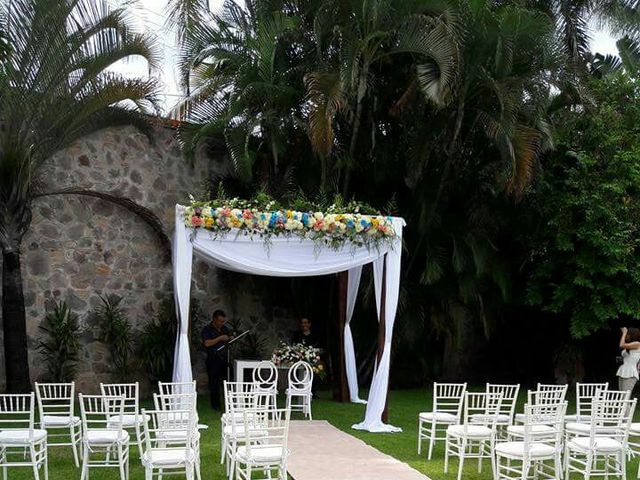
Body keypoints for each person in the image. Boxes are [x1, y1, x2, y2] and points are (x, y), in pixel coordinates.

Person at [202, 309, 232, 410]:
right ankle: (215, 406)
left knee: (228, 381)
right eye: (220, 321)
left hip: (225, 359)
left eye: (223, 321)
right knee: (214, 383)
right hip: (213, 359)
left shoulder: (225, 329)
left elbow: (228, 339)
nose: (221, 323)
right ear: (214, 319)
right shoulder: (207, 329)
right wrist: (220, 338)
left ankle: (229, 403)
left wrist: (230, 338)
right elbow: (207, 343)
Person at [616, 326, 640, 392]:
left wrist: (624, 333)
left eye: (627, 334)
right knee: (621, 396)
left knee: (625, 396)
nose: (626, 335)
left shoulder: (638, 344)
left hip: (630, 373)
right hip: (623, 371)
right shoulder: (629, 345)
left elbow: (621, 345)